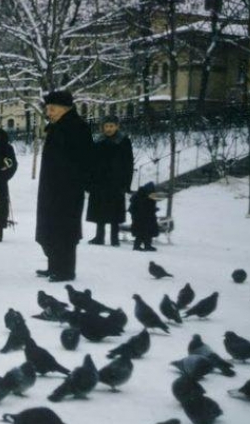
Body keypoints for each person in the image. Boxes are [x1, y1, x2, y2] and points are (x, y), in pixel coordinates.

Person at [35, 90, 93, 282]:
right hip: (52, 188)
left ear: (65, 108)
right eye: (47, 109)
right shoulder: (57, 127)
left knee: (64, 229)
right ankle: (54, 266)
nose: (48, 113)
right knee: (51, 227)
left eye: (52, 109)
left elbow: (83, 161)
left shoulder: (77, 127)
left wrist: (72, 184)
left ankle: (66, 270)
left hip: (67, 190)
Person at [86, 115, 134, 246]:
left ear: (117, 126)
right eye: (106, 126)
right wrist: (89, 182)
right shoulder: (98, 141)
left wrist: (126, 184)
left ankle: (114, 238)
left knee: (115, 212)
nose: (108, 129)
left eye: (111, 126)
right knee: (99, 210)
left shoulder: (124, 141)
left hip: (116, 182)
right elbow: (91, 163)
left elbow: (129, 164)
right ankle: (99, 237)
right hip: (99, 182)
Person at [128, 182, 162, 251]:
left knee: (147, 232)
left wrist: (153, 209)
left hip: (146, 217)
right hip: (140, 217)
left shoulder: (144, 194)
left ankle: (147, 245)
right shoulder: (141, 195)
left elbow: (149, 205)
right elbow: (143, 207)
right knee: (141, 232)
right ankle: (137, 246)